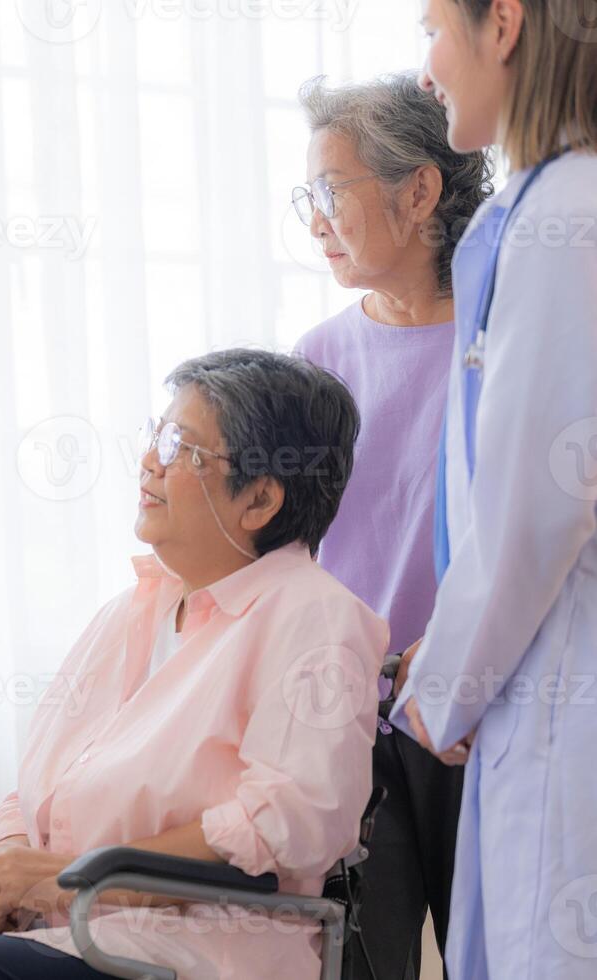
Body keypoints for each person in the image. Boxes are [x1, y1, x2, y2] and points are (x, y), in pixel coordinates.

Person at [0, 349, 389, 980]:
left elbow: (292, 824)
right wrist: (8, 863)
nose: (149, 460)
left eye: (180, 446)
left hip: (198, 950)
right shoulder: (140, 607)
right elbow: (42, 789)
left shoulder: (314, 619)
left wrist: (64, 880)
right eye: (156, 433)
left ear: (258, 500)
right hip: (73, 932)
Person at [390, 1, 597, 978]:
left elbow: (537, 505)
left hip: (561, 697)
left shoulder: (570, 213)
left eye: (433, 26)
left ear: (504, 22)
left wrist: (443, 687)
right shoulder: (545, 205)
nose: (427, 66)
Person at [292, 71, 493, 979]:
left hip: (479, 710)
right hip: (352, 722)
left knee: (495, 955)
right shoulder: (318, 362)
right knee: (360, 963)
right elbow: (289, 555)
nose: (315, 219)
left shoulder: (502, 344)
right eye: (308, 197)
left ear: (420, 192)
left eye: (332, 192)